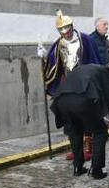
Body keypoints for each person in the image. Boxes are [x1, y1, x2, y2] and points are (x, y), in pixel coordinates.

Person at [41, 10, 103, 161]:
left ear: (71, 26)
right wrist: (43, 56)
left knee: (87, 116)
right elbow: (52, 65)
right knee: (71, 119)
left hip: (84, 83)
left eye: (66, 28)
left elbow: (95, 60)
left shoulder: (85, 40)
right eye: (61, 30)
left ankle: (89, 148)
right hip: (68, 85)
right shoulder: (58, 45)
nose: (65, 32)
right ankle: (77, 150)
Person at [50, 63, 109, 179]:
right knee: (100, 131)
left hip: (62, 101)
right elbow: (108, 94)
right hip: (83, 100)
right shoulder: (103, 71)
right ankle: (96, 169)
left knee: (75, 132)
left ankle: (78, 167)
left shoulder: (82, 68)